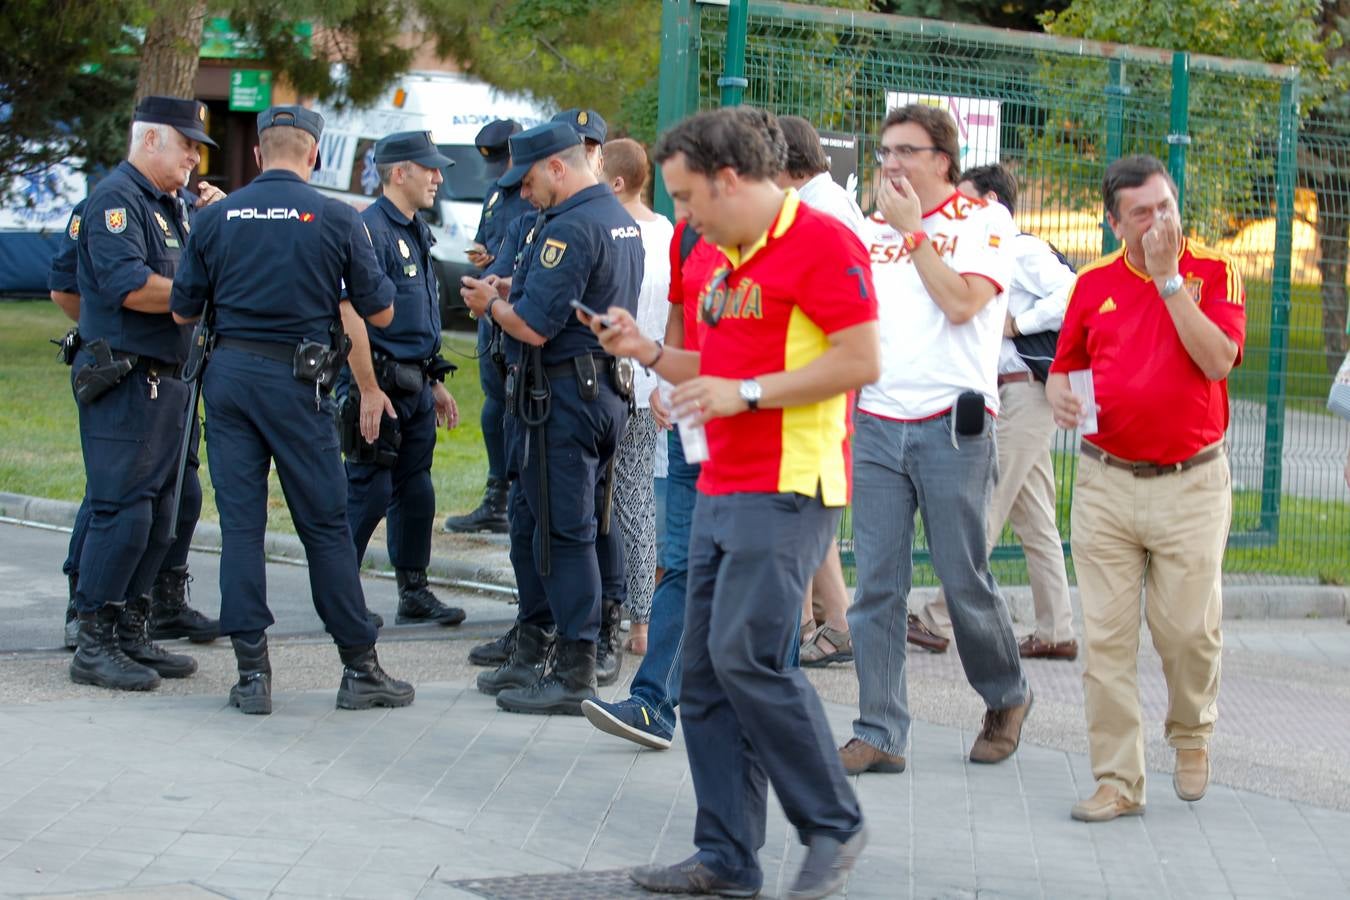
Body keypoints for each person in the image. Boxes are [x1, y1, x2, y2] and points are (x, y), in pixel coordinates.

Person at [592, 106, 877, 900]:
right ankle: (725, 855)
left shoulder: (823, 242)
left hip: (791, 484)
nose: (682, 216)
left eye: (688, 198)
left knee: (750, 657)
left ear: (728, 179)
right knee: (709, 674)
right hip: (720, 480)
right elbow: (711, 364)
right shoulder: (721, 259)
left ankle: (833, 823)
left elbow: (862, 359)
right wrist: (647, 350)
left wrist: (745, 393)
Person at [170, 105, 414, 715]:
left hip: (227, 380)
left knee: (242, 528)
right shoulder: (336, 217)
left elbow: (182, 311)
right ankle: (360, 667)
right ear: (314, 156)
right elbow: (380, 313)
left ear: (257, 154)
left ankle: (252, 676)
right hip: (298, 385)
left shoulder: (215, 217)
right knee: (326, 526)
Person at [1048, 155, 1245, 822]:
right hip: (1106, 483)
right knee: (1104, 642)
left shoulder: (1214, 269)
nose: (1160, 221)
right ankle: (1117, 781)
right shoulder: (1094, 282)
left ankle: (1191, 734)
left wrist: (1168, 283)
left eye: (1167, 206)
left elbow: (1218, 359)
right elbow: (1066, 363)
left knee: (1188, 631)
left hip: (1191, 484)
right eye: (1143, 213)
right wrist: (1057, 395)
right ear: (1114, 222)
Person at [842, 104, 1032, 777]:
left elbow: (959, 304)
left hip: (954, 428)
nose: (889, 162)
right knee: (876, 588)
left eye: (906, 150)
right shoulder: (868, 231)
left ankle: (1006, 695)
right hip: (877, 424)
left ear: (943, 159)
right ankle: (880, 729)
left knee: (962, 581)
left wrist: (914, 233)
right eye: (885, 150)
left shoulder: (984, 222)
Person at [461, 121, 642, 715]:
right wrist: (516, 282)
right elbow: (576, 296)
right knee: (567, 528)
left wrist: (493, 303)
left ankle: (573, 671)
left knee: (563, 536)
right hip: (597, 393)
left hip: (565, 399)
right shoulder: (615, 218)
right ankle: (554, 652)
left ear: (558, 167)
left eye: (532, 180)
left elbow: (535, 326)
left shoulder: (570, 227)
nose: (526, 193)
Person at [67, 96, 224, 691]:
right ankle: (94, 639)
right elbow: (128, 285)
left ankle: (131, 630)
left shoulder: (172, 206)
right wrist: (199, 292)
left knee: (161, 516)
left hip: (168, 380)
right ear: (151, 140)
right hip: (128, 379)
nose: (193, 157)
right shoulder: (115, 201)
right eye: (186, 144)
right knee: (123, 513)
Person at [910, 163, 1078, 661]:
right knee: (1035, 518)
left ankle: (937, 617)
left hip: (1025, 392)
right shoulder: (984, 253)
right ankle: (1057, 629)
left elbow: (1073, 290)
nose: (957, 210)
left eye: (966, 201)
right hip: (1013, 393)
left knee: (988, 502)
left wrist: (1019, 324)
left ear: (992, 204)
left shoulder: (1022, 250)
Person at [343, 130, 465, 627]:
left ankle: (413, 590)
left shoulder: (415, 228)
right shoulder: (368, 231)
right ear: (399, 172)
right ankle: (340, 593)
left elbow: (420, 315)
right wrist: (368, 390)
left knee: (416, 493)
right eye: (429, 167)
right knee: (368, 490)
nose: (438, 177)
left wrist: (434, 378)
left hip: (413, 386)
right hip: (381, 387)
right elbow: (351, 313)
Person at [775, 114, 864, 668]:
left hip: (822, 372)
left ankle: (825, 622)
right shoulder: (828, 201)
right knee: (808, 501)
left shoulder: (817, 211)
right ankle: (818, 621)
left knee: (807, 500)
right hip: (828, 369)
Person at [600, 137, 672, 658]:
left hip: (614, 381)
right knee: (638, 498)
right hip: (650, 383)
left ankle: (621, 608)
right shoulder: (667, 232)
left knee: (608, 500)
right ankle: (642, 618)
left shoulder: (611, 228)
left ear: (617, 181)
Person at [444, 119, 527, 535]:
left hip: (516, 309)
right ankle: (496, 495)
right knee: (494, 404)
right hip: (489, 311)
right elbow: (488, 237)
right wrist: (482, 254)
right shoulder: (496, 191)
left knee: (515, 406)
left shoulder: (532, 192)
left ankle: (514, 495)